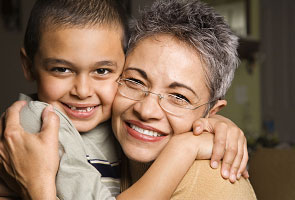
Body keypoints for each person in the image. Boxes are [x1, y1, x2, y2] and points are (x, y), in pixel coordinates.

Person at [0, 0, 252, 199]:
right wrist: (187, 145)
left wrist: (38, 189)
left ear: (211, 111)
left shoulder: (212, 182)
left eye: (178, 96)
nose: (146, 109)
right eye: (135, 81)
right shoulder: (46, 129)